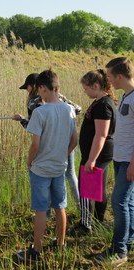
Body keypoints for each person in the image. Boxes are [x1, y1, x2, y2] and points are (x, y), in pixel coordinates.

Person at [17, 69, 78, 263]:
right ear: (57, 87)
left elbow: (35, 145)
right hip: (60, 167)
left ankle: (36, 251)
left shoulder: (40, 112)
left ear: (42, 88)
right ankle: (60, 243)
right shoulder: (69, 109)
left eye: (40, 90)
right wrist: (61, 154)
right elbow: (74, 140)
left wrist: (29, 162)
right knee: (60, 206)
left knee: (41, 209)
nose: (39, 94)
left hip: (41, 169)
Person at [13, 73, 81, 207]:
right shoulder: (60, 98)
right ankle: (79, 203)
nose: (27, 91)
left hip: (48, 148)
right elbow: (77, 109)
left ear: (35, 87)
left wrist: (21, 119)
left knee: (44, 181)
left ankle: (46, 211)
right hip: (66, 144)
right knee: (70, 174)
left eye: (27, 87)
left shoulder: (34, 103)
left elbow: (34, 129)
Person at [93, 57, 134, 265]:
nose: (108, 80)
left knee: (118, 202)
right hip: (121, 158)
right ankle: (129, 240)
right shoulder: (126, 96)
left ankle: (119, 251)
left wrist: (133, 164)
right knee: (128, 202)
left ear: (119, 76)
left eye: (109, 76)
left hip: (129, 161)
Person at [69, 69, 117, 236]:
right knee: (97, 188)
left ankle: (86, 224)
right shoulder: (102, 101)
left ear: (96, 86)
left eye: (86, 88)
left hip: (97, 154)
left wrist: (91, 159)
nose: (85, 91)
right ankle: (96, 221)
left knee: (87, 189)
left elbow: (101, 134)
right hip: (99, 154)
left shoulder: (103, 105)